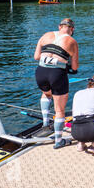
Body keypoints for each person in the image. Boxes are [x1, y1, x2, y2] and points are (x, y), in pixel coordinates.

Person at [34, 18, 79, 149]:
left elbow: (36, 57)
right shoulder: (72, 41)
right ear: (72, 29)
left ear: (60, 27)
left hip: (41, 73)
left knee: (46, 94)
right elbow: (75, 67)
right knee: (59, 110)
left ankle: (45, 123)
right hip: (57, 74)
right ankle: (58, 140)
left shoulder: (45, 35)